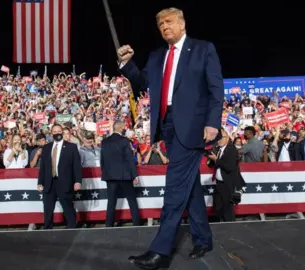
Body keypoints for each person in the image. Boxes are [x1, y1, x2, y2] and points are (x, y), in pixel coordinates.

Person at [118, 7, 224, 269]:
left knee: (175, 185)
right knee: (189, 185)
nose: (165, 27)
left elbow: (215, 87)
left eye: (169, 22)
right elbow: (141, 83)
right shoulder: (157, 56)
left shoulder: (202, 49)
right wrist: (127, 64)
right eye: (160, 24)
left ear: (182, 23)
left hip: (193, 127)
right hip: (168, 127)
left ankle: (160, 251)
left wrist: (212, 122)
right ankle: (203, 239)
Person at [37, 124, 82, 229]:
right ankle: (47, 229)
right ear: (51, 133)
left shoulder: (72, 147)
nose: (57, 133)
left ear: (62, 132)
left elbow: (76, 165)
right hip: (49, 183)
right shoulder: (46, 148)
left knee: (68, 207)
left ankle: (72, 228)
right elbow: (43, 167)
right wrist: (40, 182)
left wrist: (78, 181)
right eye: (55, 131)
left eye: (59, 131)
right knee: (48, 209)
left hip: (65, 182)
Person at [100, 120, 141, 227]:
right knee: (131, 200)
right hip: (125, 176)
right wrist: (135, 175)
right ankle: (137, 223)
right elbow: (129, 159)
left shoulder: (105, 141)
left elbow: (102, 160)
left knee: (111, 202)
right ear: (120, 128)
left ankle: (108, 225)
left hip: (110, 176)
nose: (124, 129)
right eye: (124, 127)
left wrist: (105, 173)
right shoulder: (124, 141)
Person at [206, 129, 245, 222]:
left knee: (227, 209)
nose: (218, 140)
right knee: (218, 207)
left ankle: (230, 228)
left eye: (221, 138)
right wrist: (210, 160)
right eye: (217, 138)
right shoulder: (219, 150)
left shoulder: (231, 150)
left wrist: (216, 159)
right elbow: (215, 165)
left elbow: (229, 167)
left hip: (228, 183)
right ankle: (222, 224)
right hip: (219, 183)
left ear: (227, 138)